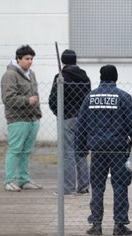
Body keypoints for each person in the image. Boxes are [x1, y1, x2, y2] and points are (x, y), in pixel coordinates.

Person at [75, 64, 132, 236]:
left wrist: (81, 149)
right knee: (120, 185)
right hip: (118, 149)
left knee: (97, 186)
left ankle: (96, 224)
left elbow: (81, 125)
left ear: (100, 77)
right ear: (116, 77)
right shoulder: (123, 97)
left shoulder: (90, 97)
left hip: (97, 150)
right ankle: (119, 224)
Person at [49, 49, 91, 195]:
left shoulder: (61, 77)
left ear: (62, 61)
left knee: (67, 153)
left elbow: (53, 100)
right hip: (83, 119)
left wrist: (59, 113)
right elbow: (88, 99)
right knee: (81, 152)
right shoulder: (84, 77)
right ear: (75, 59)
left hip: (66, 118)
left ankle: (68, 188)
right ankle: (84, 186)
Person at [1, 45, 42, 192]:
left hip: (32, 118)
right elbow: (8, 98)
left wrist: (37, 114)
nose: (30, 61)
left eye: (31, 59)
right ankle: (9, 181)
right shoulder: (10, 75)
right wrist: (26, 101)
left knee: (26, 151)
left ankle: (24, 180)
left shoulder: (31, 74)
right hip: (18, 119)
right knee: (15, 150)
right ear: (18, 59)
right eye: (26, 59)